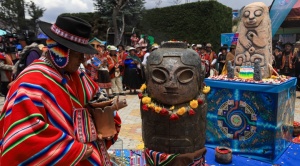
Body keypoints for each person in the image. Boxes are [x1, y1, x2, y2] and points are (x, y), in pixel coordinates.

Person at [0, 14, 121, 165]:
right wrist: (73, 150)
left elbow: (100, 101)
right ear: (61, 53)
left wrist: (107, 119)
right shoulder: (30, 84)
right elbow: (25, 136)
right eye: (78, 54)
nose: (84, 59)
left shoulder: (78, 76)